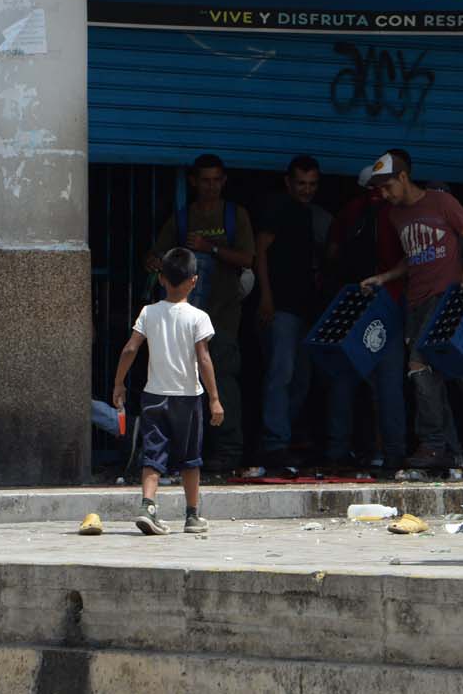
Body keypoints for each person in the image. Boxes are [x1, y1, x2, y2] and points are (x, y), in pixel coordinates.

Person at [361, 149, 463, 470]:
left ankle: (435, 444)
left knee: (420, 366)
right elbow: (412, 256)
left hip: (445, 298)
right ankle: (454, 451)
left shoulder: (441, 202)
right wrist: (384, 277)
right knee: (434, 376)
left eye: (388, 186)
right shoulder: (395, 215)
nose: (385, 194)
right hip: (414, 301)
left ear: (404, 177)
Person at [145, 154, 254, 472]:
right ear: (193, 182)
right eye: (205, 180)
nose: (211, 186)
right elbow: (155, 255)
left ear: (224, 181)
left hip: (222, 318)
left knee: (223, 385)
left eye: (216, 180)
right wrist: (153, 262)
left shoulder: (236, 215)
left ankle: (228, 453)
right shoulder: (182, 218)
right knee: (182, 388)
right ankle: (189, 454)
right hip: (183, 322)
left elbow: (248, 257)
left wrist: (212, 249)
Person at [113, 247, 224, 535]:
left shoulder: (148, 312)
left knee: (153, 454)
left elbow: (130, 348)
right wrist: (214, 398)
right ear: (194, 280)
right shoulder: (198, 317)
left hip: (154, 396)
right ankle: (192, 515)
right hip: (187, 398)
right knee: (190, 458)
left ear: (161, 278)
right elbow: (204, 359)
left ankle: (148, 506)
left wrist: (118, 383)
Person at [322, 164, 407, 470]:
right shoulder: (397, 214)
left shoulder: (349, 213)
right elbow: (410, 258)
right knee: (388, 382)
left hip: (351, 304)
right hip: (388, 305)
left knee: (344, 379)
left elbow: (331, 255)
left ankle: (337, 450)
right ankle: (392, 452)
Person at [255, 155, 332, 469]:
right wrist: (266, 297)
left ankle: (283, 438)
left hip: (304, 308)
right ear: (288, 182)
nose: (307, 189)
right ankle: (275, 444)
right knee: (282, 375)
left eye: (312, 184)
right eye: (301, 183)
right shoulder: (278, 208)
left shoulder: (306, 213)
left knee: (301, 378)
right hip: (282, 307)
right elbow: (259, 252)